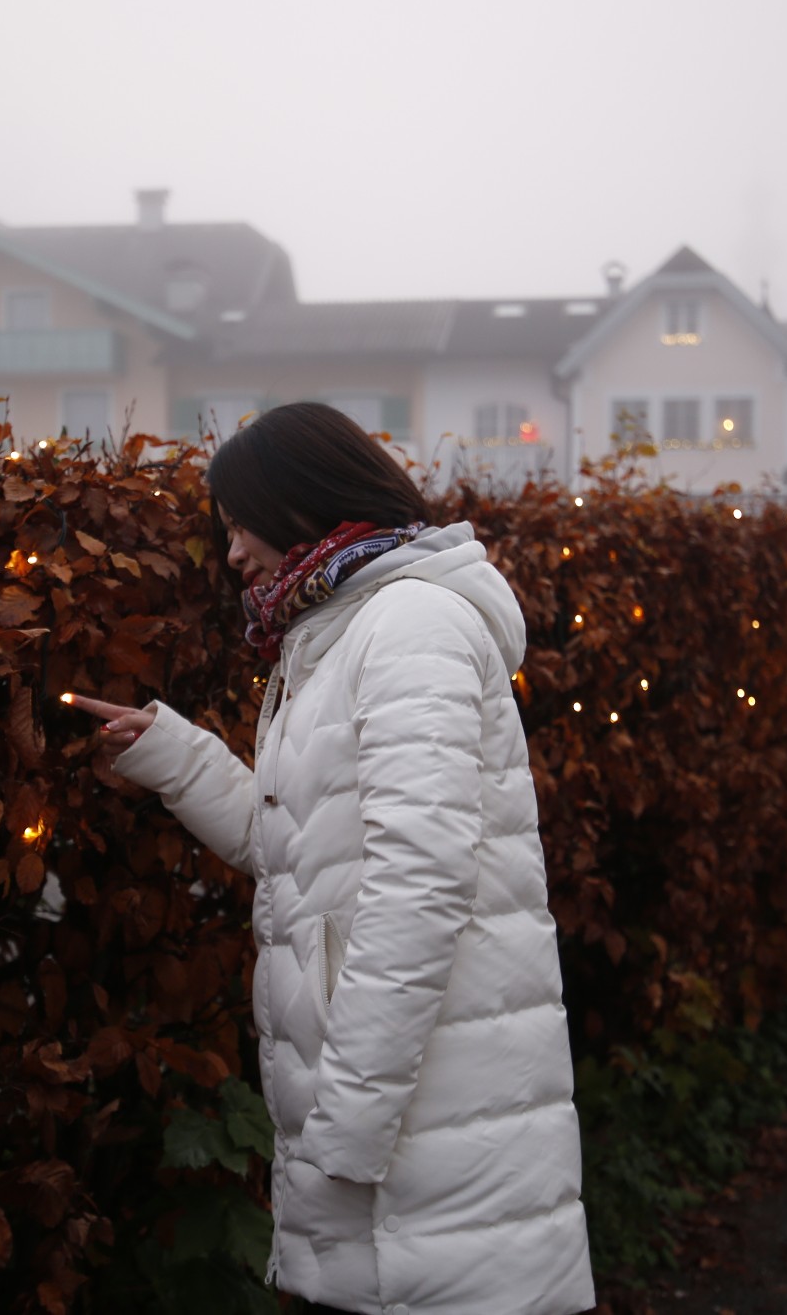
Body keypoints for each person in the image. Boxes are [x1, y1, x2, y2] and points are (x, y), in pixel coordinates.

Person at [68, 402, 594, 1315]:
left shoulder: (408, 627)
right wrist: (174, 752)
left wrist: (345, 1127)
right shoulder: (335, 634)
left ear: (303, 502)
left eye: (240, 523)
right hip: (403, 1133)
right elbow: (300, 852)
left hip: (421, 1141)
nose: (232, 554)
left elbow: (418, 887)